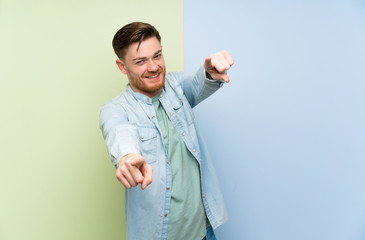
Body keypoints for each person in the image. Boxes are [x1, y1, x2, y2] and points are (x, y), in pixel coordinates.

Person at [99, 22, 233, 240]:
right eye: (140, 61)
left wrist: (210, 71)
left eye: (157, 56)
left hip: (202, 232)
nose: (153, 67)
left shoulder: (176, 86)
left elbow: (199, 80)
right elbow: (118, 132)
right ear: (122, 66)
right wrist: (128, 157)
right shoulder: (115, 110)